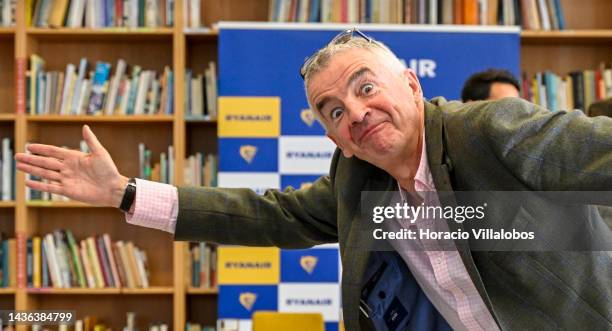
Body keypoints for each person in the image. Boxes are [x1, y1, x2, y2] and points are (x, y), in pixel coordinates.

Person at [15, 29, 612, 331]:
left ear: (410, 83)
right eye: (332, 110)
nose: (354, 112)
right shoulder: (361, 182)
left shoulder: (490, 130)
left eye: (366, 86)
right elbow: (270, 213)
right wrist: (125, 192)